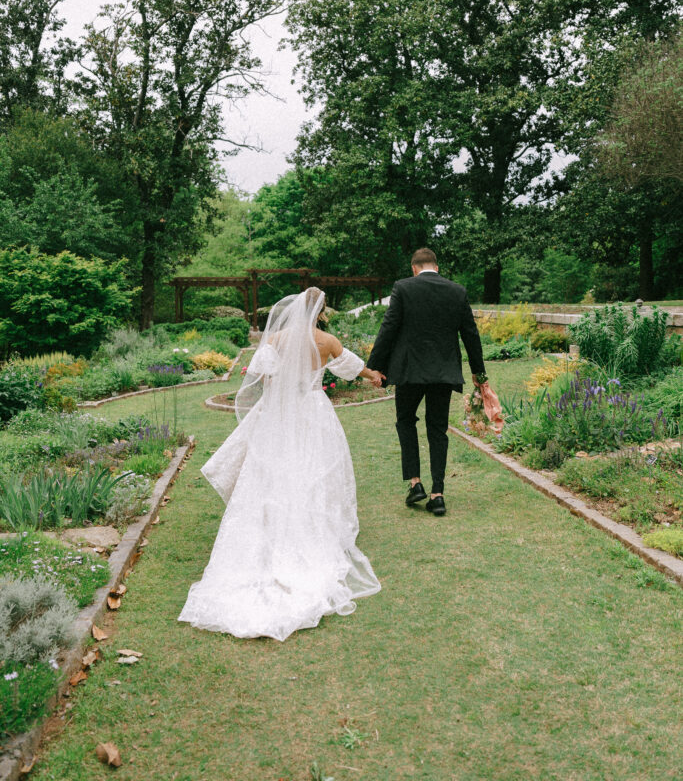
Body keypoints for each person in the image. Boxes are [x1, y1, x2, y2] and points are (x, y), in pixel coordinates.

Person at [178, 287, 383, 641]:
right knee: (314, 470)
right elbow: (354, 368)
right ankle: (310, 525)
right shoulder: (328, 341)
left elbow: (262, 377)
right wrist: (375, 376)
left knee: (273, 469)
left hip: (281, 412)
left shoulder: (275, 337)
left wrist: (280, 397)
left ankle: (272, 524)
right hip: (314, 411)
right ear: (320, 311)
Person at [367, 248, 487, 517]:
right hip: (443, 374)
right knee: (438, 429)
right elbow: (471, 334)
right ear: (436, 266)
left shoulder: (403, 288)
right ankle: (438, 494)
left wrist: (374, 367)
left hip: (409, 372)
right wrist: (479, 372)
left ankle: (415, 483)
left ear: (414, 268)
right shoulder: (457, 291)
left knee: (406, 421)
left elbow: (389, 328)